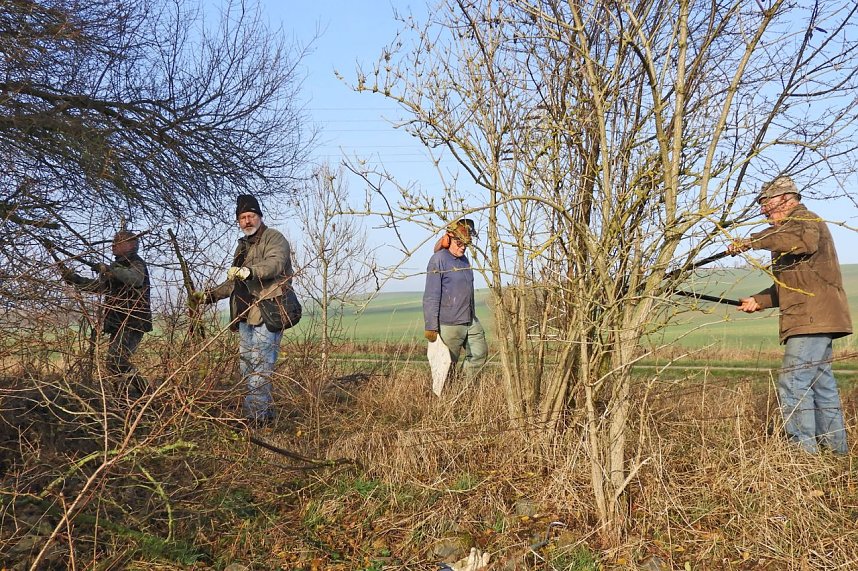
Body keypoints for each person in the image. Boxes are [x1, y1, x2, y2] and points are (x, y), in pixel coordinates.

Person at [728, 176, 852, 455]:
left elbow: (801, 242)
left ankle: (803, 456)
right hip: (812, 316)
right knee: (822, 386)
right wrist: (757, 301)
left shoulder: (804, 221)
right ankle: (836, 453)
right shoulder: (789, 232)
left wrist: (750, 241)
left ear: (786, 199)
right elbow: (787, 285)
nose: (763, 210)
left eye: (766, 203)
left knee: (793, 383)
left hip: (809, 318)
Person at [194, 194, 293, 426]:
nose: (247, 221)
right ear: (238, 221)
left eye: (251, 216)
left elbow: (275, 264)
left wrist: (250, 271)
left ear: (259, 216)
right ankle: (265, 416)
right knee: (247, 366)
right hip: (245, 315)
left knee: (260, 365)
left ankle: (254, 419)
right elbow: (233, 283)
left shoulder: (274, 238)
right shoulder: (242, 246)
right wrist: (207, 297)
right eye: (242, 217)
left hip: (268, 312)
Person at [60, 230, 152, 397]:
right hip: (119, 322)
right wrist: (75, 279)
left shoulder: (136, 263)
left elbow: (135, 279)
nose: (113, 245)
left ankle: (146, 394)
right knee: (114, 364)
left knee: (116, 361)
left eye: (117, 242)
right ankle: (123, 400)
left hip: (132, 321)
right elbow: (100, 288)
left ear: (130, 245)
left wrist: (110, 268)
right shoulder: (119, 267)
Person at [422, 219, 488, 383]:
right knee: (446, 366)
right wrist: (431, 326)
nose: (463, 246)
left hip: (470, 319)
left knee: (479, 353)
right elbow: (431, 295)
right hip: (449, 324)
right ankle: (446, 399)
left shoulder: (464, 260)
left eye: (466, 243)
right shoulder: (438, 259)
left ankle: (464, 390)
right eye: (459, 242)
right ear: (448, 239)